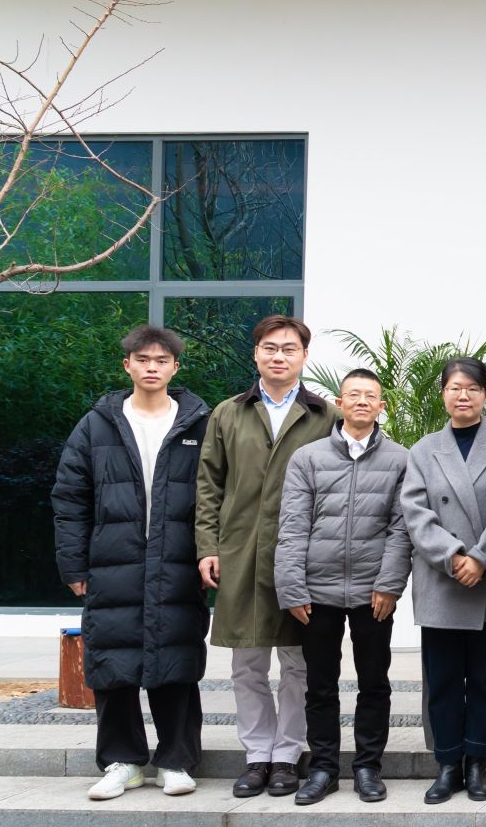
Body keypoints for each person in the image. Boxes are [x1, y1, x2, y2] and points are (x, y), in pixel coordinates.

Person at [51, 325, 212, 800]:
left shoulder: (199, 424)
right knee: (113, 662)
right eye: (143, 360)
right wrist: (73, 565)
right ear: (127, 366)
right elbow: (70, 497)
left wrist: (211, 552)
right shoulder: (97, 424)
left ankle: (176, 761)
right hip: (112, 562)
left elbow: (217, 496)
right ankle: (123, 762)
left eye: (161, 360)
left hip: (178, 562)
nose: (151, 368)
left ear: (175, 368)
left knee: (176, 658)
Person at [196, 314, 335, 799]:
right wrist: (208, 547)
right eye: (270, 348)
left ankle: (287, 755)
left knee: (299, 663)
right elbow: (208, 485)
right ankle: (257, 755)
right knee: (247, 662)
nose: (279, 356)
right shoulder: (229, 413)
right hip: (240, 553)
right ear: (256, 353)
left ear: (304, 356)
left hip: (303, 558)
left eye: (289, 349)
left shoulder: (325, 416)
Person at [274, 368, 413, 805]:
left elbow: (401, 529)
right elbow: (292, 526)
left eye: (370, 395)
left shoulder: (400, 459)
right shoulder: (308, 458)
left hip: (374, 592)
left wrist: (390, 583)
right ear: (340, 402)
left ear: (381, 406)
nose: (361, 401)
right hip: (317, 592)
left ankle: (368, 767)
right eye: (353, 394)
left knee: (374, 682)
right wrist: (292, 588)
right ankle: (323, 768)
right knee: (320, 684)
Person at [400, 357, 486, 804]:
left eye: (471, 388)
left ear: (485, 395)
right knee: (444, 679)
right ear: (443, 395)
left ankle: (478, 763)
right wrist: (453, 557)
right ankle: (448, 762)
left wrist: (480, 557)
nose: (463, 395)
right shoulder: (423, 449)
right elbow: (414, 513)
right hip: (442, 579)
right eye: (454, 387)